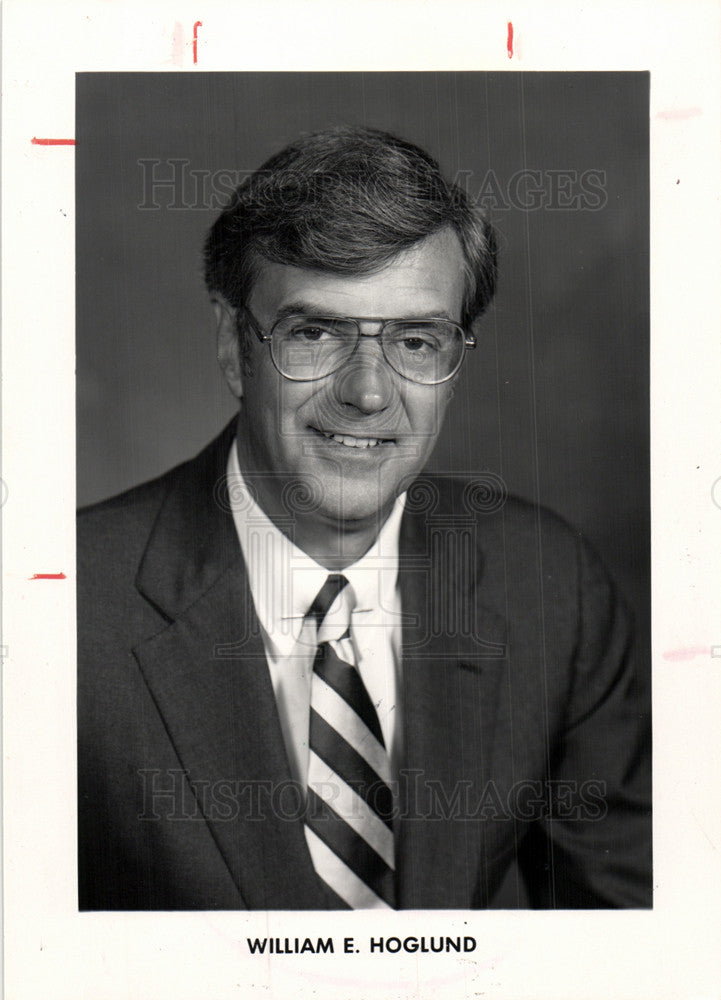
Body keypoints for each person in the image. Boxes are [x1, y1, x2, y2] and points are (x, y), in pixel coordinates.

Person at [77, 126, 651, 910]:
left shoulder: (549, 586)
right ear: (229, 344)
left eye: (417, 340)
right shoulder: (58, 608)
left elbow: (631, 948)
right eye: (316, 332)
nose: (370, 394)